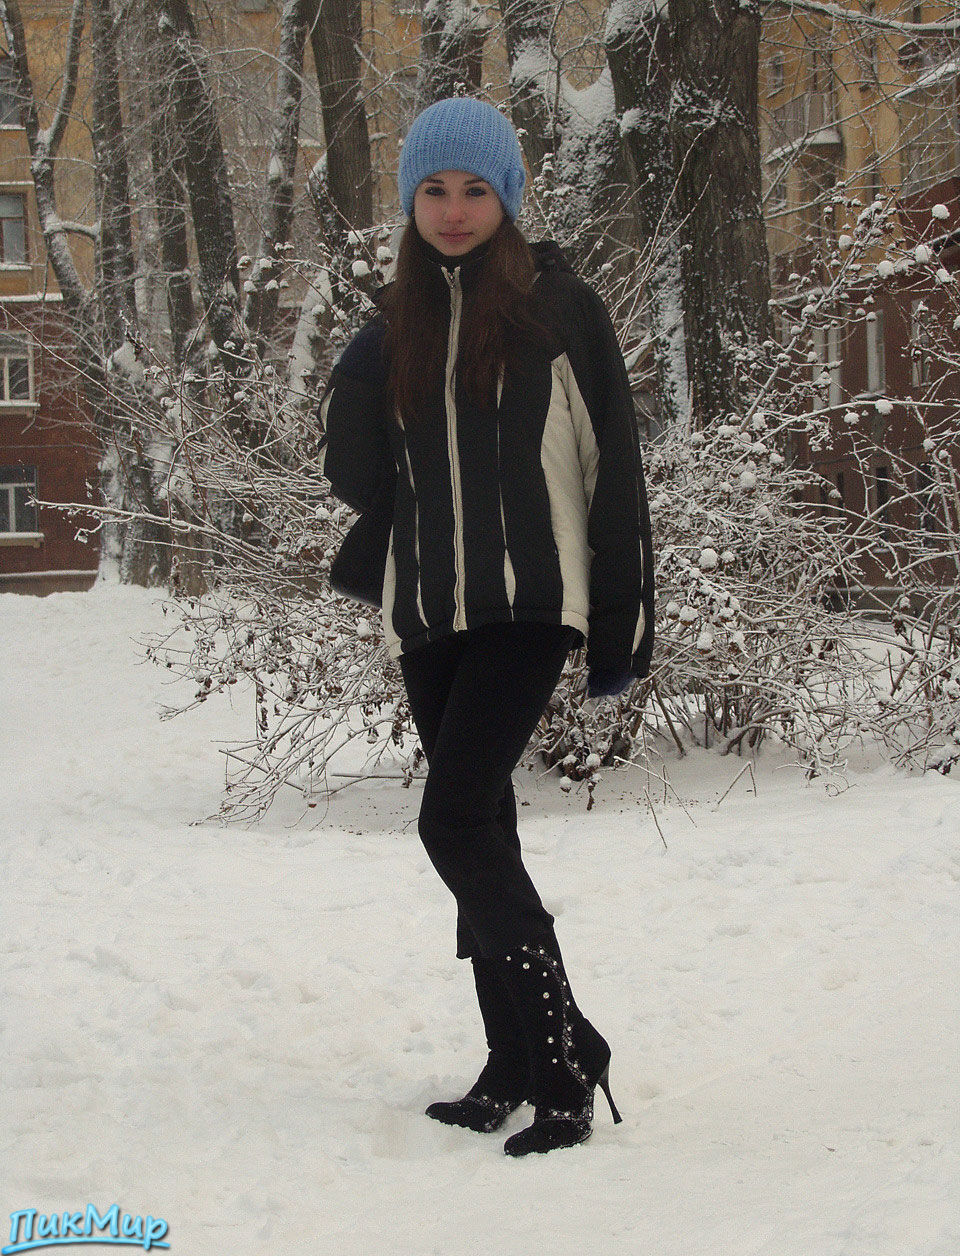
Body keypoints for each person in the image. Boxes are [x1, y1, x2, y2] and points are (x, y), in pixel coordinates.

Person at [318, 96, 655, 1156]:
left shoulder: (558, 309)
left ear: (506, 197)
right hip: (429, 610)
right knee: (484, 829)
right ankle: (513, 1059)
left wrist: (620, 615)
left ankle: (563, 1052)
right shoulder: (399, 326)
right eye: (434, 190)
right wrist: (361, 367)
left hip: (529, 601)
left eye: (474, 190)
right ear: (410, 201)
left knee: (453, 820)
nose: (454, 210)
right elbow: (358, 477)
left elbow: (612, 462)